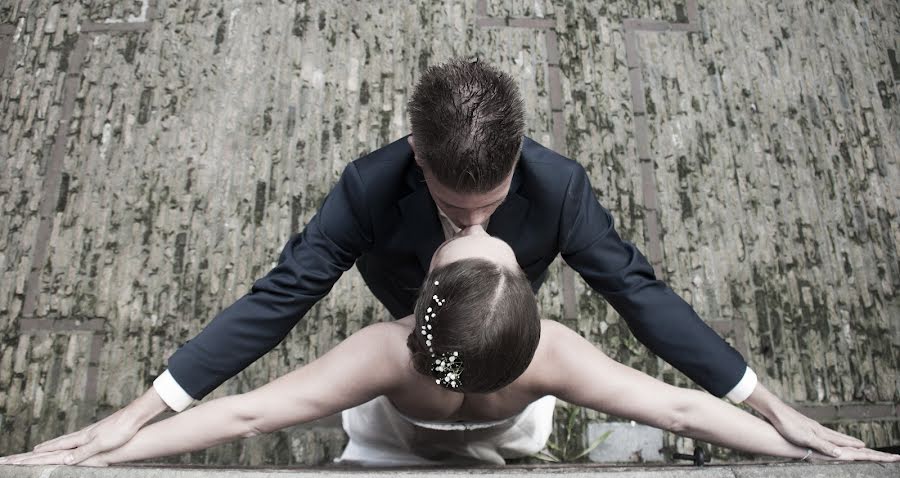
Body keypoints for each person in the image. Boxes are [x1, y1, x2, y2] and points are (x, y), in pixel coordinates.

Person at [13, 58, 866, 465]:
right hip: (462, 354)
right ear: (418, 162)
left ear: (519, 157)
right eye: (455, 212)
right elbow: (282, 296)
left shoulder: (560, 191)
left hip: (480, 350)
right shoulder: (367, 191)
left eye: (491, 209)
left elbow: (640, 295)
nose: (470, 229)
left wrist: (772, 407)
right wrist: (140, 410)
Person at [1, 227, 896, 467]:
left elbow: (247, 412)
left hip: (396, 440)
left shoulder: (388, 353)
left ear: (420, 304)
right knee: (512, 450)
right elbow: (680, 405)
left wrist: (103, 450)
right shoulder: (554, 358)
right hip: (508, 432)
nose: (482, 226)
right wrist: (803, 436)